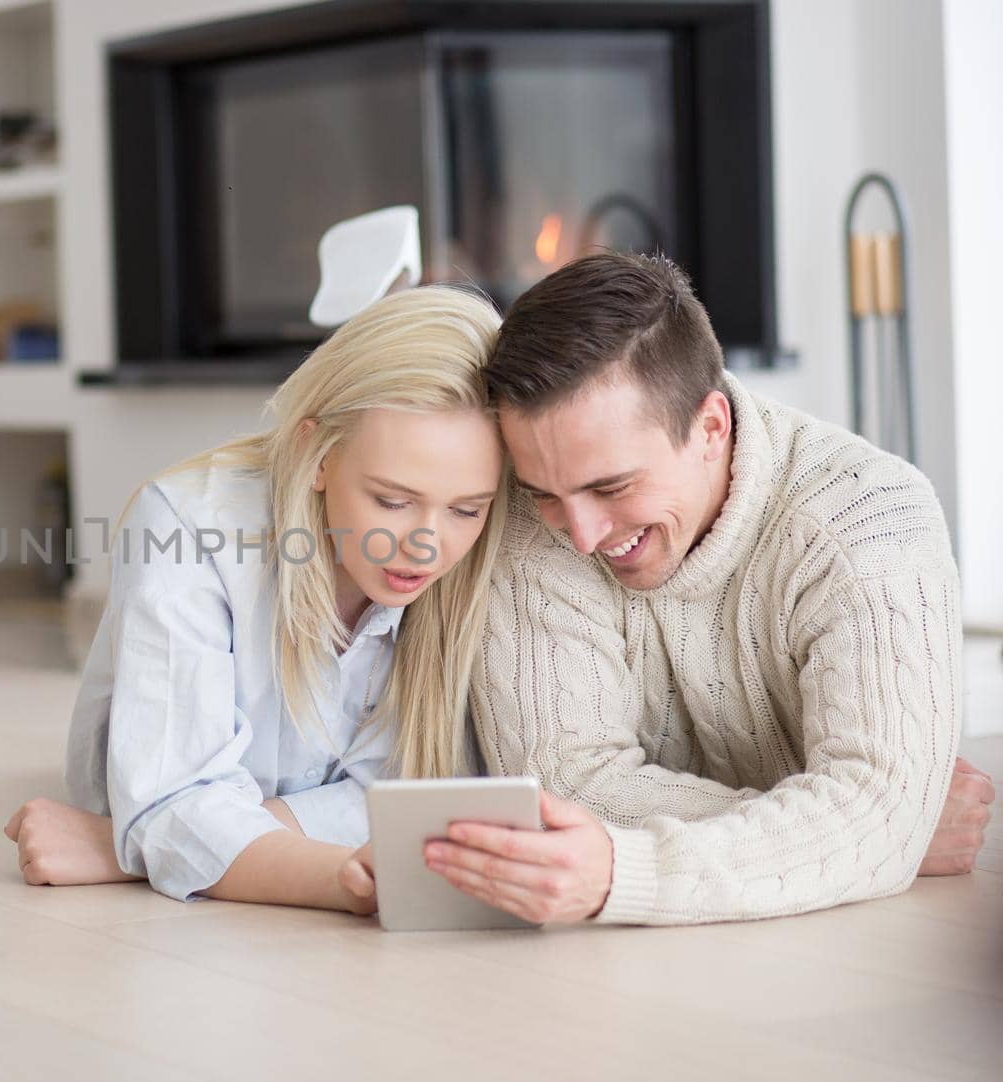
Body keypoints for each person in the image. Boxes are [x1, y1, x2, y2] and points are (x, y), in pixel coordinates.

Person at [408, 251, 994, 925]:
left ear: (710, 427)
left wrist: (873, 820)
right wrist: (849, 829)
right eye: (546, 494)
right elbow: (566, 786)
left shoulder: (871, 517)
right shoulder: (533, 512)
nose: (580, 533)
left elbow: (873, 810)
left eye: (612, 487)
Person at [4, 285, 516, 910]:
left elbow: (418, 792)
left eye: (466, 509)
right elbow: (173, 802)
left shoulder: (485, 559)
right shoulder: (187, 527)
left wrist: (134, 848)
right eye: (392, 501)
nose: (428, 547)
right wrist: (340, 879)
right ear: (314, 452)